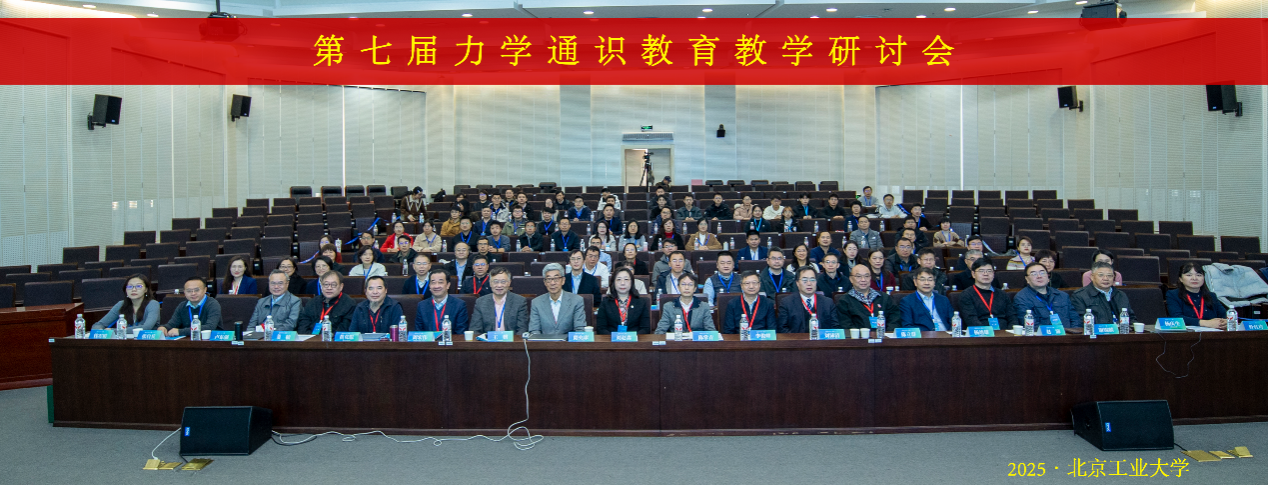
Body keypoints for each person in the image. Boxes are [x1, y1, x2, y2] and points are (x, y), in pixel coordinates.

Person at [1013, 262, 1081, 332]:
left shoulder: (1062, 295)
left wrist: (1073, 334)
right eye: (1034, 274)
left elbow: (1075, 319)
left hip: (1068, 335)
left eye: (1042, 273)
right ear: (1027, 279)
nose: (1039, 276)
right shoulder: (1022, 298)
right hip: (1041, 336)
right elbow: (1030, 326)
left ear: (1048, 276)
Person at [835, 264, 900, 331]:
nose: (863, 280)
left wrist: (886, 334)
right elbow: (846, 325)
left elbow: (894, 319)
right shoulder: (844, 301)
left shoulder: (884, 297)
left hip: (884, 336)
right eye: (858, 276)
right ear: (851, 279)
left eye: (866, 276)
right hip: (859, 336)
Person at [956, 259, 1017, 330]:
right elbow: (971, 320)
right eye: (981, 271)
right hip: (981, 333)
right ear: (973, 274)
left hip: (1005, 333)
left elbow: (1012, 317)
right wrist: (988, 333)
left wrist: (1010, 332)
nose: (986, 274)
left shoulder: (1002, 294)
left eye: (989, 271)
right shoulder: (966, 295)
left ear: (993, 274)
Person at [1071, 261, 1136, 326]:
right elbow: (1080, 323)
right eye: (1101, 275)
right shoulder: (1080, 296)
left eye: (1109, 275)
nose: (1106, 278)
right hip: (1096, 331)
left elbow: (1131, 318)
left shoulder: (1121, 295)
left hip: (1121, 331)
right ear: (1092, 277)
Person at [1165, 262, 1229, 329]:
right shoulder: (1173, 295)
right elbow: (1176, 318)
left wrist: (1225, 322)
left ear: (1203, 278)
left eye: (1198, 275)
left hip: (1212, 333)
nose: (1194, 278)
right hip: (1187, 333)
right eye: (1189, 275)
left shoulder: (1211, 296)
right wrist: (1206, 323)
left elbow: (1224, 314)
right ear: (1181, 279)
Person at [529, 263, 588, 335]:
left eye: (556, 279)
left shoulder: (576, 301)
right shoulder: (537, 302)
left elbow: (580, 329)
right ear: (545, 282)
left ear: (563, 280)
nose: (552, 283)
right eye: (549, 279)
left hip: (568, 341)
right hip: (544, 341)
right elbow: (534, 330)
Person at [468, 267, 530, 334]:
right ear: (490, 283)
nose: (499, 285)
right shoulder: (481, 302)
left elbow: (522, 329)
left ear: (509, 283)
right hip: (487, 340)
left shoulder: (519, 301)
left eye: (503, 282)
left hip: (511, 339)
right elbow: (475, 329)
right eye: (495, 282)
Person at [778, 266, 839, 333]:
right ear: (797, 283)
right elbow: (782, 329)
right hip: (795, 339)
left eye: (812, 280)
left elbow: (835, 328)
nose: (809, 283)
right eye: (805, 280)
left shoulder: (828, 303)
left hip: (821, 339)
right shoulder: (787, 303)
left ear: (816, 282)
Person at [92, 274, 161, 331]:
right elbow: (98, 324)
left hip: (147, 341)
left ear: (146, 289)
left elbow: (146, 327)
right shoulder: (121, 304)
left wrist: (114, 331)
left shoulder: (153, 304)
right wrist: (99, 330)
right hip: (126, 341)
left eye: (138, 286)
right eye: (130, 286)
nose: (134, 289)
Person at [596, 267, 652, 334]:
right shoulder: (605, 302)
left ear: (632, 282)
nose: (622, 283)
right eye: (619, 279)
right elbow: (601, 328)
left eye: (626, 279)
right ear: (613, 282)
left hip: (635, 339)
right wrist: (613, 338)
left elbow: (645, 328)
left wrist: (633, 338)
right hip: (611, 339)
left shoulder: (641, 302)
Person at [898, 267, 954, 332]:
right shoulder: (907, 301)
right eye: (922, 280)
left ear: (934, 282)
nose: (926, 283)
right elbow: (907, 326)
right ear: (915, 282)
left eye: (930, 280)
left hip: (946, 335)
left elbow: (953, 321)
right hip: (923, 336)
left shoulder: (943, 300)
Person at [415, 269, 468, 333]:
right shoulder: (422, 305)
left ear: (448, 285)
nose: (436, 286)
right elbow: (419, 333)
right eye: (433, 282)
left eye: (440, 282)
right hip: (428, 339)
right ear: (429, 286)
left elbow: (460, 333)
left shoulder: (459, 305)